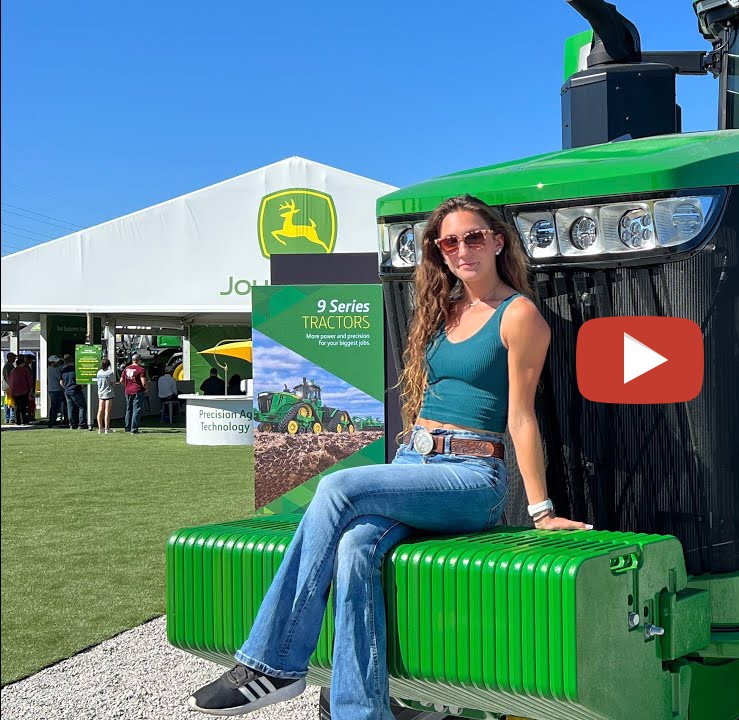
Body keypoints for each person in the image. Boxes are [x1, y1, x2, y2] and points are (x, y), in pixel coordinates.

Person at [188, 195, 591, 718]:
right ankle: (362, 711)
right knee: (356, 546)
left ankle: (274, 662)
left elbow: (520, 418)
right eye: (450, 241)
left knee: (336, 487)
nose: (462, 249)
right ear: (440, 253)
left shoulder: (520, 316)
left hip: (472, 478)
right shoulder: (444, 310)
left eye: (473, 237)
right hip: (414, 464)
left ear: (497, 241)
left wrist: (540, 512)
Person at [120, 353, 148, 434]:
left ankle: (127, 427)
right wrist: (146, 389)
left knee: (129, 409)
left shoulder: (126, 369)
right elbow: (143, 382)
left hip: (128, 391)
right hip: (137, 391)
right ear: (138, 361)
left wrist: (127, 386)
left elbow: (121, 380)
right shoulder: (141, 369)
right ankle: (134, 428)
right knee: (137, 410)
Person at [59, 357, 89, 430]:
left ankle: (71, 424)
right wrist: (82, 387)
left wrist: (65, 388)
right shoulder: (76, 370)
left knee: (70, 408)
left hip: (67, 391)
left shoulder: (63, 370)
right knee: (82, 407)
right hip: (75, 390)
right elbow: (81, 381)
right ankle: (82, 424)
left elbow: (61, 382)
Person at [7, 355, 35, 425]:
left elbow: (9, 380)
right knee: (23, 406)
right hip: (23, 390)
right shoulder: (25, 370)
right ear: (22, 363)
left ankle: (17, 420)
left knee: (17, 406)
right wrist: (30, 389)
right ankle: (24, 420)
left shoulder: (13, 371)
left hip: (14, 391)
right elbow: (29, 380)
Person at [96, 360, 117, 433]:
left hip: (100, 392)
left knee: (100, 410)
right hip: (108, 392)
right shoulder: (110, 372)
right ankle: (107, 428)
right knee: (107, 411)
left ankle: (100, 427)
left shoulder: (99, 372)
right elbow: (113, 383)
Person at [46, 356, 66, 427]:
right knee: (55, 407)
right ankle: (52, 422)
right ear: (52, 363)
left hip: (51, 389)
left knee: (54, 406)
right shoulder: (55, 370)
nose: (57, 363)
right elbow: (60, 378)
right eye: (56, 362)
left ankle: (52, 421)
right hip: (56, 390)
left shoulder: (48, 368)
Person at [2, 352, 14, 424]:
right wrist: (10, 385)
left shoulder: (9, 365)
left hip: (7, 386)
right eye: (13, 357)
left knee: (9, 401)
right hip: (8, 387)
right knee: (8, 402)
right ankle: (9, 417)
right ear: (9, 358)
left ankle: (9, 417)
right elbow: (7, 376)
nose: (15, 359)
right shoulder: (8, 366)